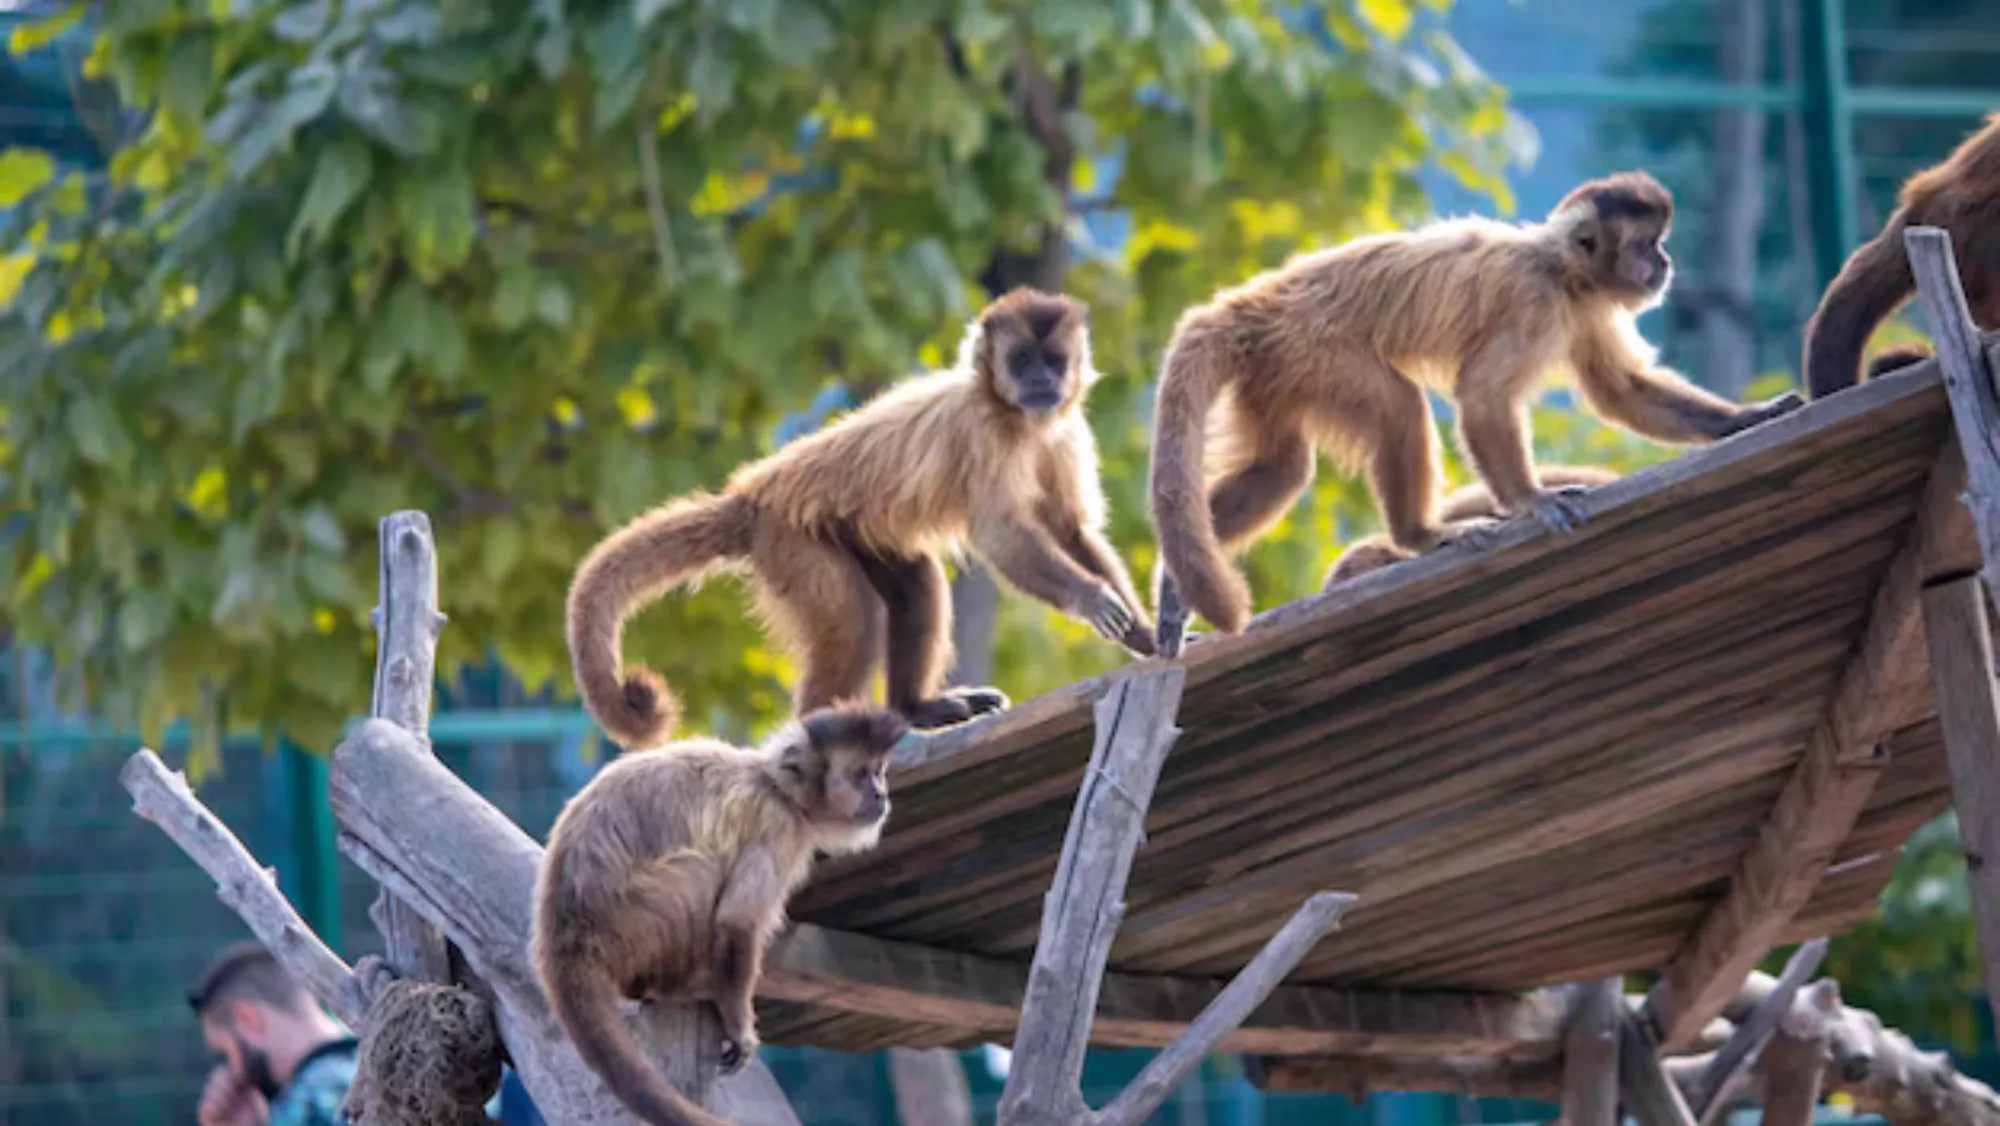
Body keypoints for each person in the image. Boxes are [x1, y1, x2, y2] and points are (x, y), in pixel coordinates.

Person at [187, 940, 358, 1126]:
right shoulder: (375, 1056)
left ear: (248, 1019)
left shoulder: (307, 1106)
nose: (232, 1073)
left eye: (226, 1053)